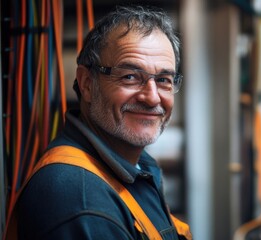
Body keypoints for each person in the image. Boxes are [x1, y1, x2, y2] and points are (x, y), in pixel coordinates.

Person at [6, 5, 191, 240]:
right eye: (130, 77)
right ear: (87, 84)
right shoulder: (80, 202)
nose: (152, 97)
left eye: (164, 79)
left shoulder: (134, 165)